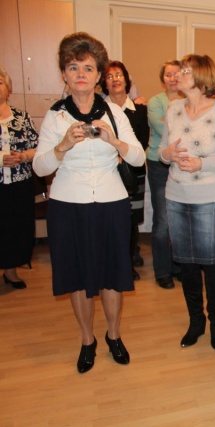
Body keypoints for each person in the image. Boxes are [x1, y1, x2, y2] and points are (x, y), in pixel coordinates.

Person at [33, 32, 145, 373]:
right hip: (68, 205)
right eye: (73, 67)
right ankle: (87, 340)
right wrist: (63, 146)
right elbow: (40, 167)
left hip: (111, 203)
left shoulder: (115, 113)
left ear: (98, 76)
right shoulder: (55, 116)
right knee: (78, 276)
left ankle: (113, 335)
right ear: (64, 75)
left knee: (112, 274)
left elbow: (139, 158)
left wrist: (114, 142)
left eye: (88, 68)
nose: (80, 74)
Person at [159, 54, 215, 351]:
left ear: (200, 76)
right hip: (176, 195)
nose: (177, 75)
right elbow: (160, 152)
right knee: (187, 265)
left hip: (212, 197)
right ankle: (196, 322)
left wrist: (202, 164)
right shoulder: (173, 108)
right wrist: (167, 154)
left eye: (185, 71)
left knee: (212, 267)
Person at [101, 61, 150, 281]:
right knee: (112, 217)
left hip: (132, 171)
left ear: (127, 80)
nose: (115, 79)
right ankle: (113, 260)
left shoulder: (139, 109)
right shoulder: (98, 109)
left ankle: (128, 261)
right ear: (104, 83)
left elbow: (142, 140)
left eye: (119, 75)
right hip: (107, 171)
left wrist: (124, 153)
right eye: (110, 76)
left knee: (130, 218)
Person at [0, 65, 39, 290]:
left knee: (16, 227)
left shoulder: (22, 117)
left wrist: (23, 156)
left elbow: (38, 147)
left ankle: (11, 271)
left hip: (19, 184)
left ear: (9, 88)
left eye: (0, 82)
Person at [147, 60, 184, 290]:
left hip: (182, 163)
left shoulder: (188, 101)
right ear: (163, 79)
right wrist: (183, 127)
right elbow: (162, 129)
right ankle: (162, 271)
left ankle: (178, 267)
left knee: (179, 218)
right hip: (159, 164)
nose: (172, 78)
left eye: (176, 74)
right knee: (163, 220)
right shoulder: (155, 102)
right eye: (168, 74)